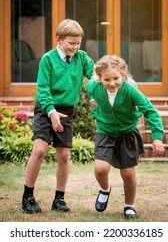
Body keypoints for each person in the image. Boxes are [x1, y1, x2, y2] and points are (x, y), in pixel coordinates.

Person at [22, 19, 94, 214]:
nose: (75, 47)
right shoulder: (48, 59)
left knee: (64, 155)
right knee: (40, 150)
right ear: (59, 39)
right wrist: (51, 112)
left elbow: (94, 77)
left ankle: (59, 199)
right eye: (71, 42)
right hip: (47, 109)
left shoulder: (82, 57)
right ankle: (28, 196)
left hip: (67, 111)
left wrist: (99, 95)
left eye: (78, 43)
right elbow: (43, 89)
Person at [86, 55, 165, 219]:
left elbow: (150, 111)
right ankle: (105, 189)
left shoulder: (130, 90)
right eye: (107, 79)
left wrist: (157, 137)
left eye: (116, 78)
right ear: (100, 78)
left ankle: (129, 206)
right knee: (100, 169)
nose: (112, 83)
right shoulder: (94, 86)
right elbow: (87, 85)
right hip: (105, 132)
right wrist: (94, 99)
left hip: (127, 133)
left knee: (128, 174)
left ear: (123, 76)